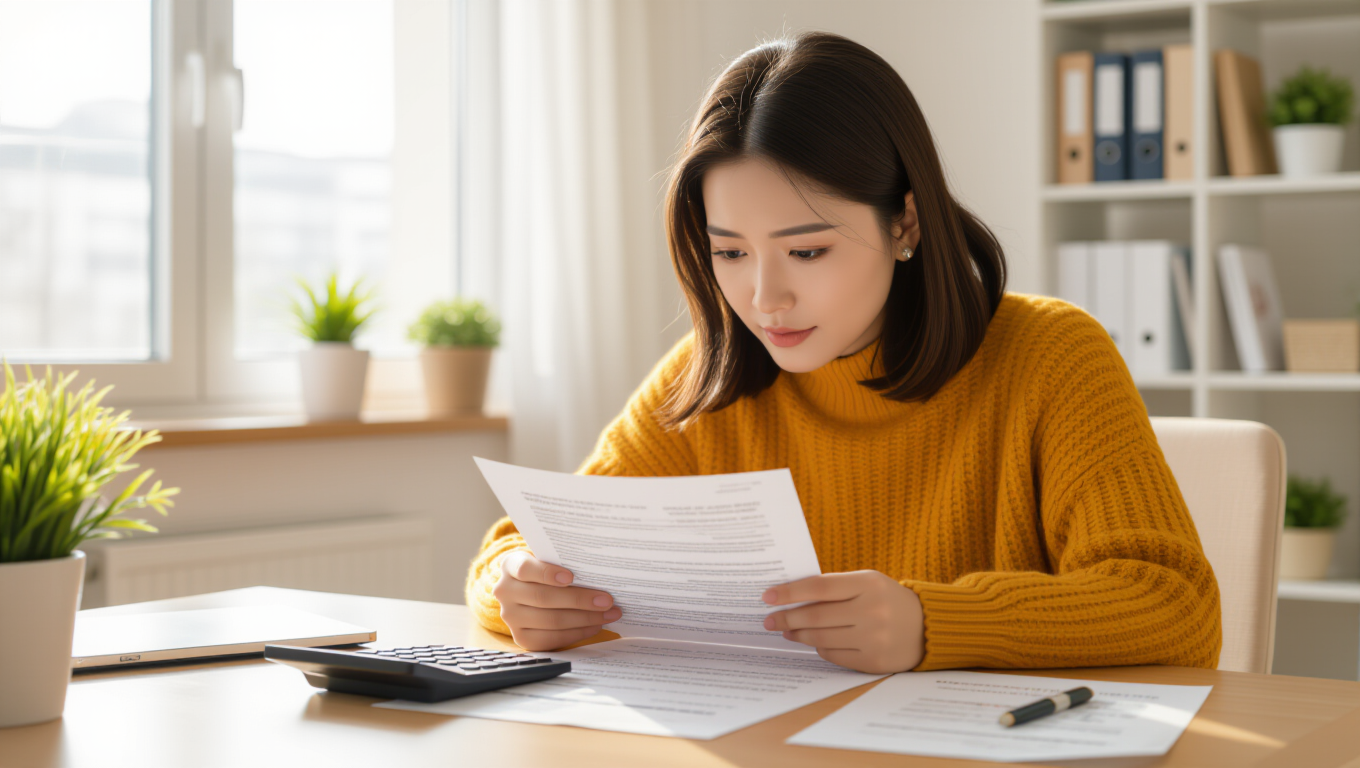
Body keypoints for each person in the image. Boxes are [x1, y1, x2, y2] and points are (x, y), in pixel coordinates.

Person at [465, 31, 1222, 675]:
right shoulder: (712, 378)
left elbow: (1176, 604)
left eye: (807, 250)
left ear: (905, 225)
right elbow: (523, 544)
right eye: (729, 252)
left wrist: (932, 622)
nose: (765, 298)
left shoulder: (1051, 356)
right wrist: (512, 584)